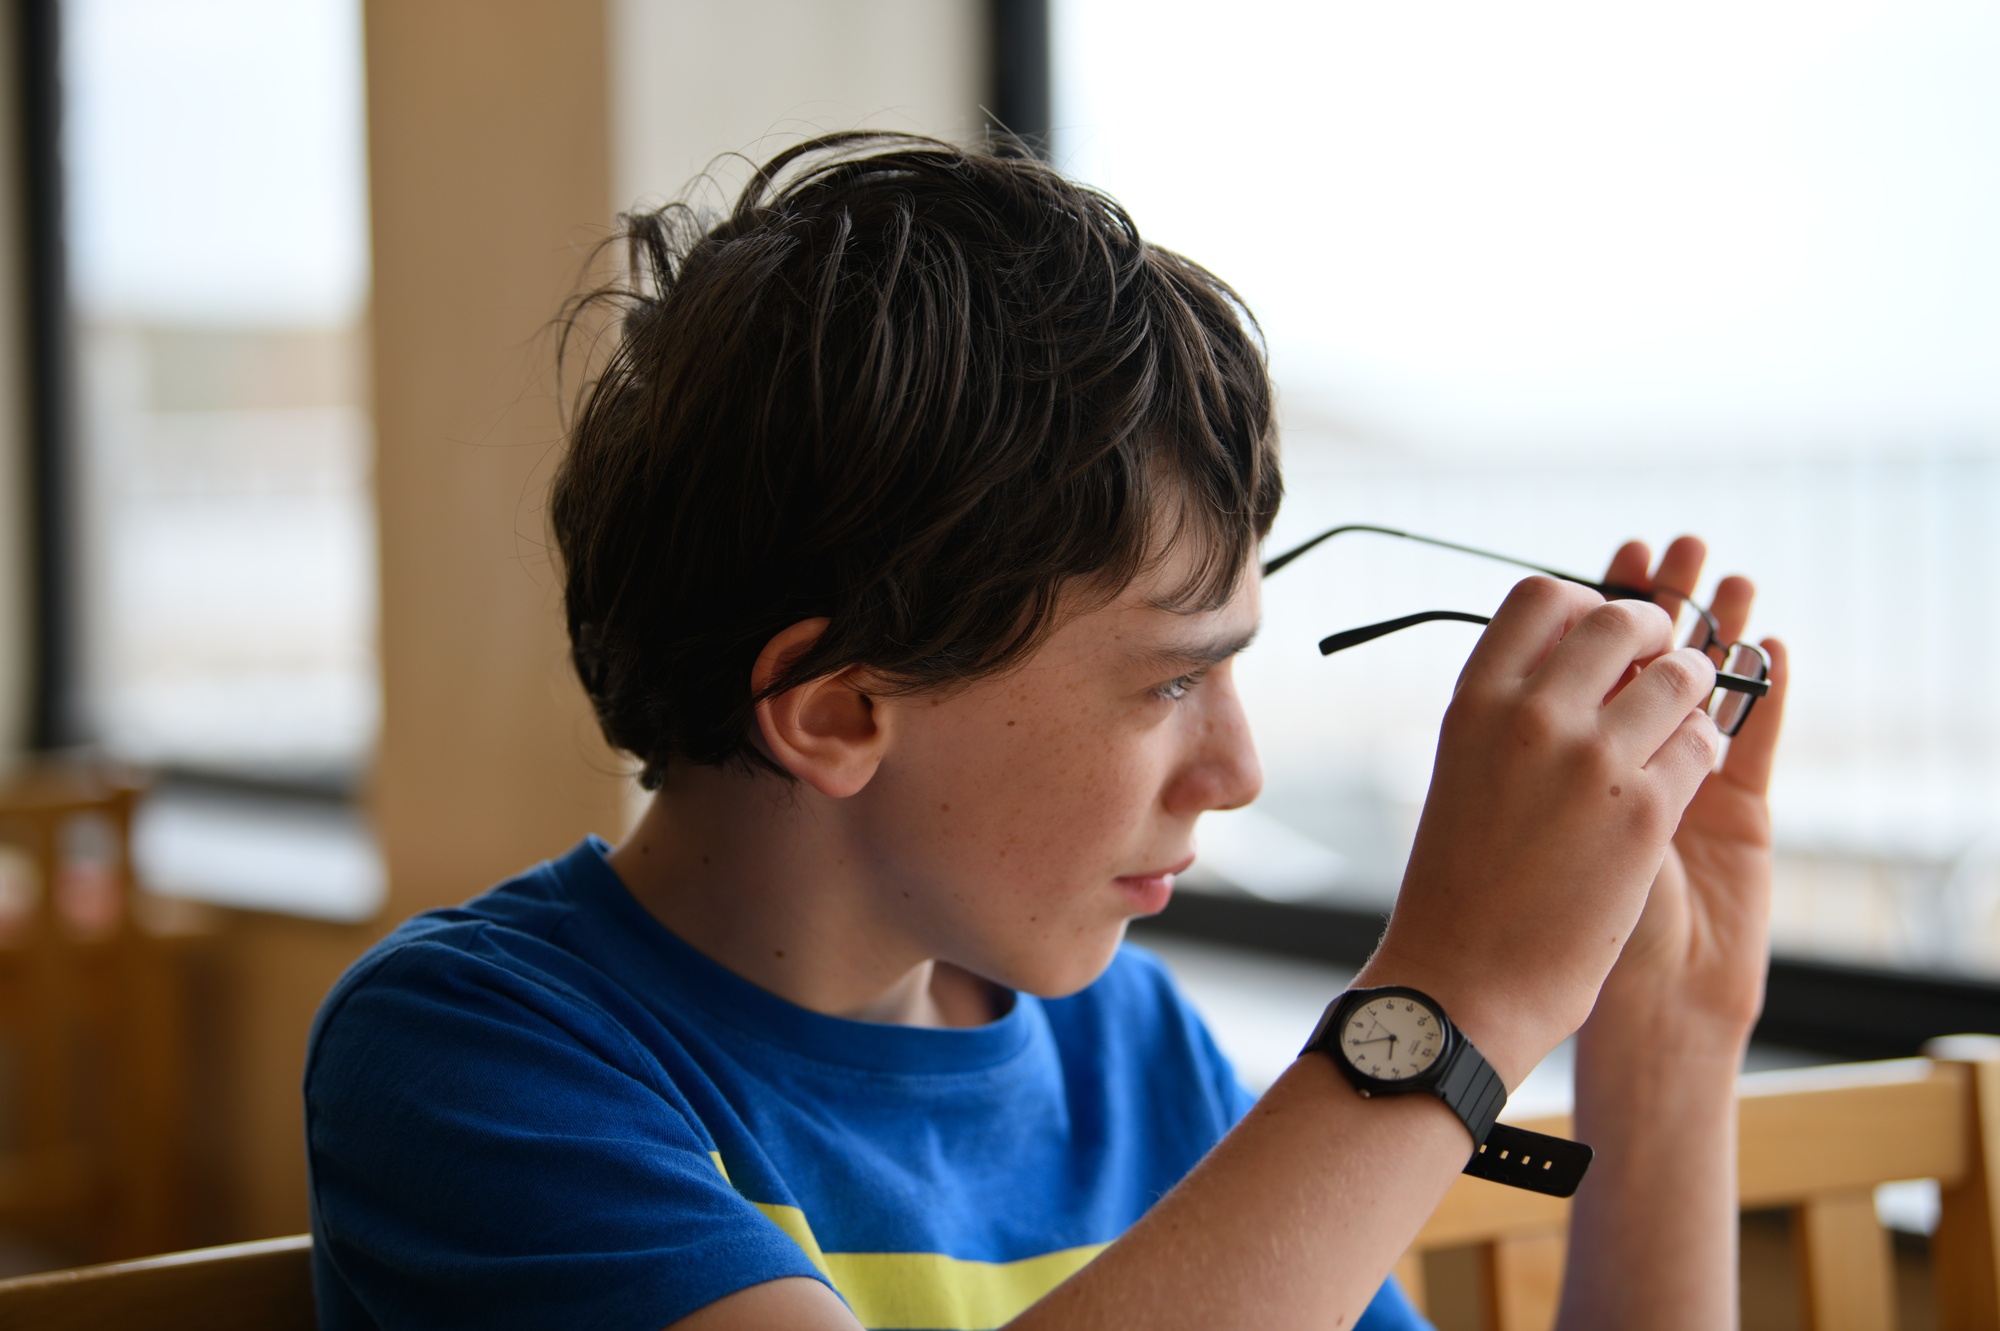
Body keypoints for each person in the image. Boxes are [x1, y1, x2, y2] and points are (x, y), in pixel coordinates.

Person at [304, 132, 1789, 1331]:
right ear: (840, 712)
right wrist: (1448, 1006)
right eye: (1168, 685)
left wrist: (1660, 1041)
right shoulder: (476, 1063)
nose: (1238, 773)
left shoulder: (1131, 1056)